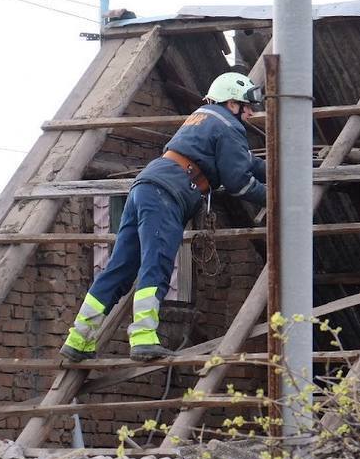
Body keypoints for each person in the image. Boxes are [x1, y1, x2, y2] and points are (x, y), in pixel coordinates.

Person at [61, 71, 267, 363]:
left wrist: (282, 168)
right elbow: (238, 181)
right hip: (167, 194)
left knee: (119, 269)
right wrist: (276, 196)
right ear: (231, 102)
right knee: (156, 262)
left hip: (146, 187)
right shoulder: (229, 127)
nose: (250, 111)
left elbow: (247, 162)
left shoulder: (203, 119)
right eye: (246, 105)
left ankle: (78, 339)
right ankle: (144, 337)